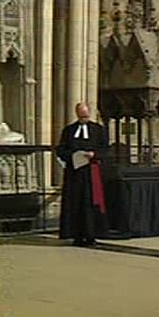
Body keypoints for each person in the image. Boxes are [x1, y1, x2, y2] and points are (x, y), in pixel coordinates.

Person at [56, 102, 109, 246]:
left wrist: (94, 154)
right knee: (76, 203)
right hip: (75, 173)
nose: (84, 118)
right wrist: (73, 155)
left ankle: (92, 235)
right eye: (81, 116)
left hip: (92, 172)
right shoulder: (69, 130)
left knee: (91, 202)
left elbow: (106, 150)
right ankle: (76, 235)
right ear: (77, 114)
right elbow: (61, 149)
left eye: (86, 116)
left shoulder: (98, 130)